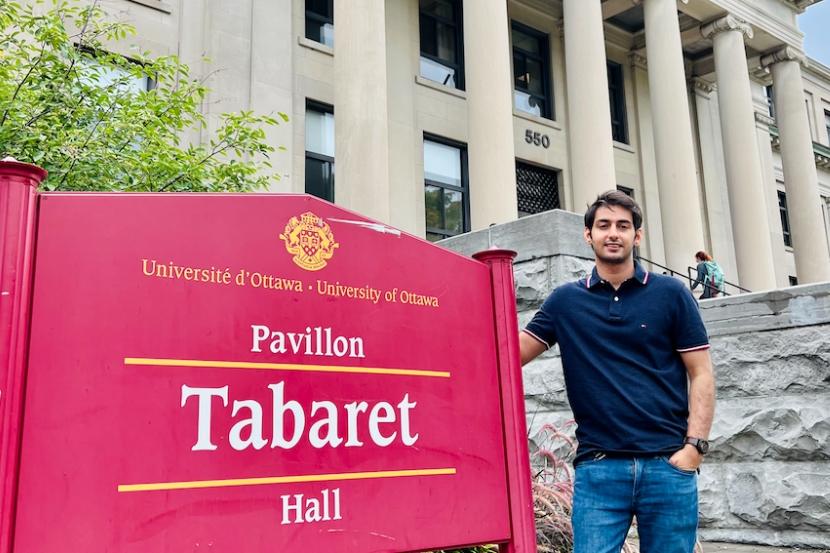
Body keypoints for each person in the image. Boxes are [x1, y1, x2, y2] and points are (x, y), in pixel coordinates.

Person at [519, 190, 716, 553]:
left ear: (636, 236)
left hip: (667, 467)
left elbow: (701, 373)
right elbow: (511, 354)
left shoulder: (672, 294)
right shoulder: (565, 301)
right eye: (604, 225)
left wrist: (694, 448)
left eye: (623, 226)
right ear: (588, 234)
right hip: (599, 468)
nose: (613, 233)